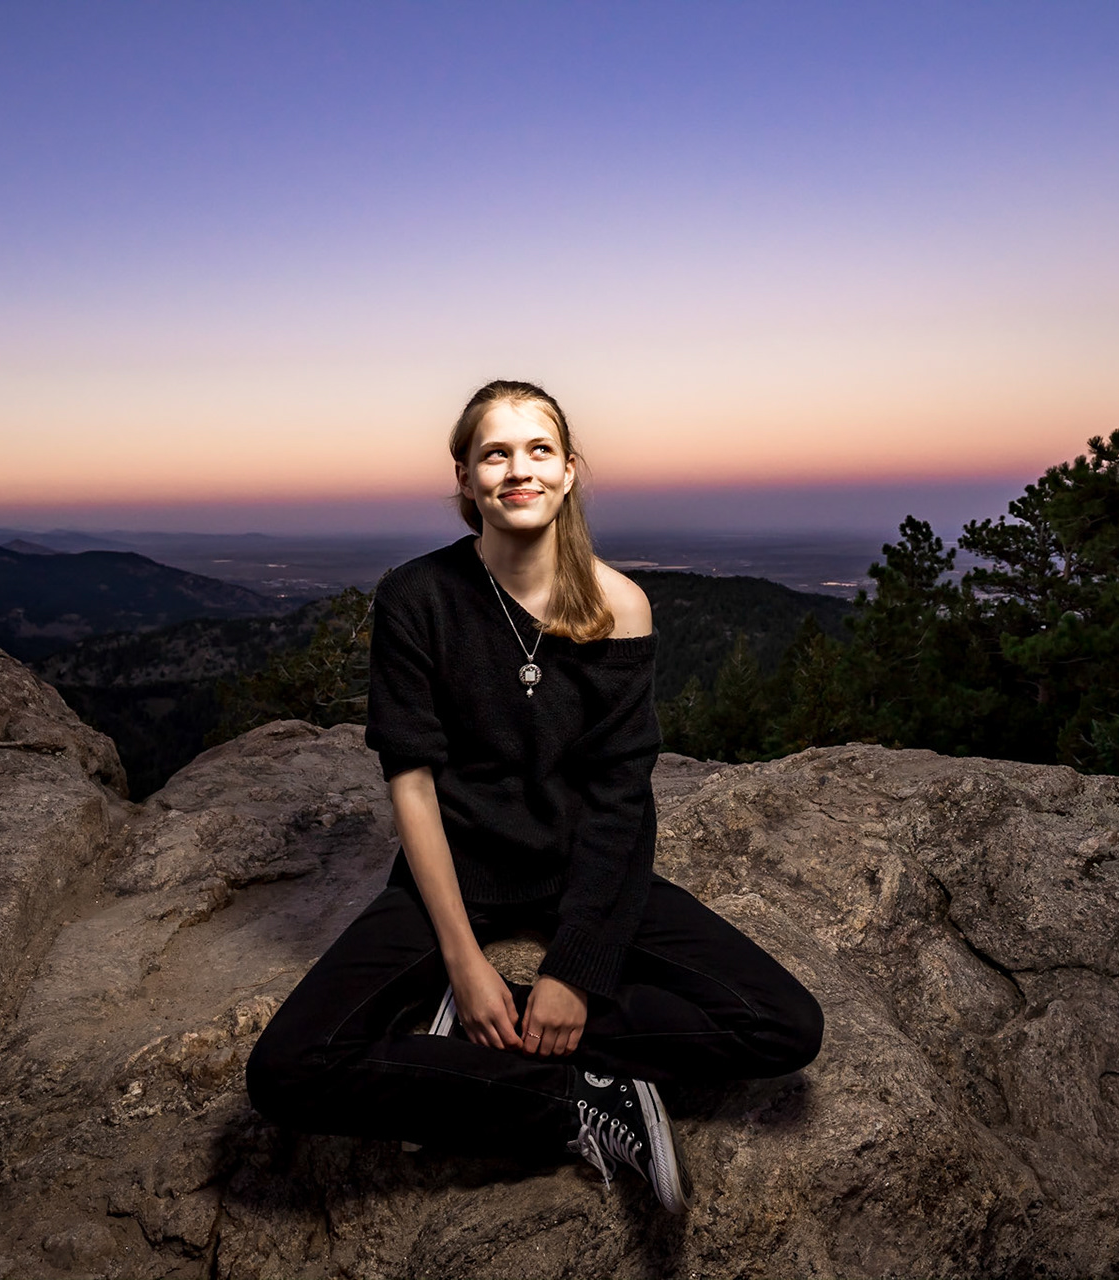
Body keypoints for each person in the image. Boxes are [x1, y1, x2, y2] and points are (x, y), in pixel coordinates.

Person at [245, 379, 823, 1213]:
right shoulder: (418, 596)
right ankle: (578, 1102)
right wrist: (464, 961)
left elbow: (620, 801)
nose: (519, 470)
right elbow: (411, 785)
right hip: (456, 875)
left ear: (570, 471)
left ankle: (479, 1042)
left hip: (577, 875)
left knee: (784, 1025)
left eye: (538, 451)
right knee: (287, 1068)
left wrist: (575, 974)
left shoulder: (619, 605)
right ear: (466, 475)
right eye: (496, 453)